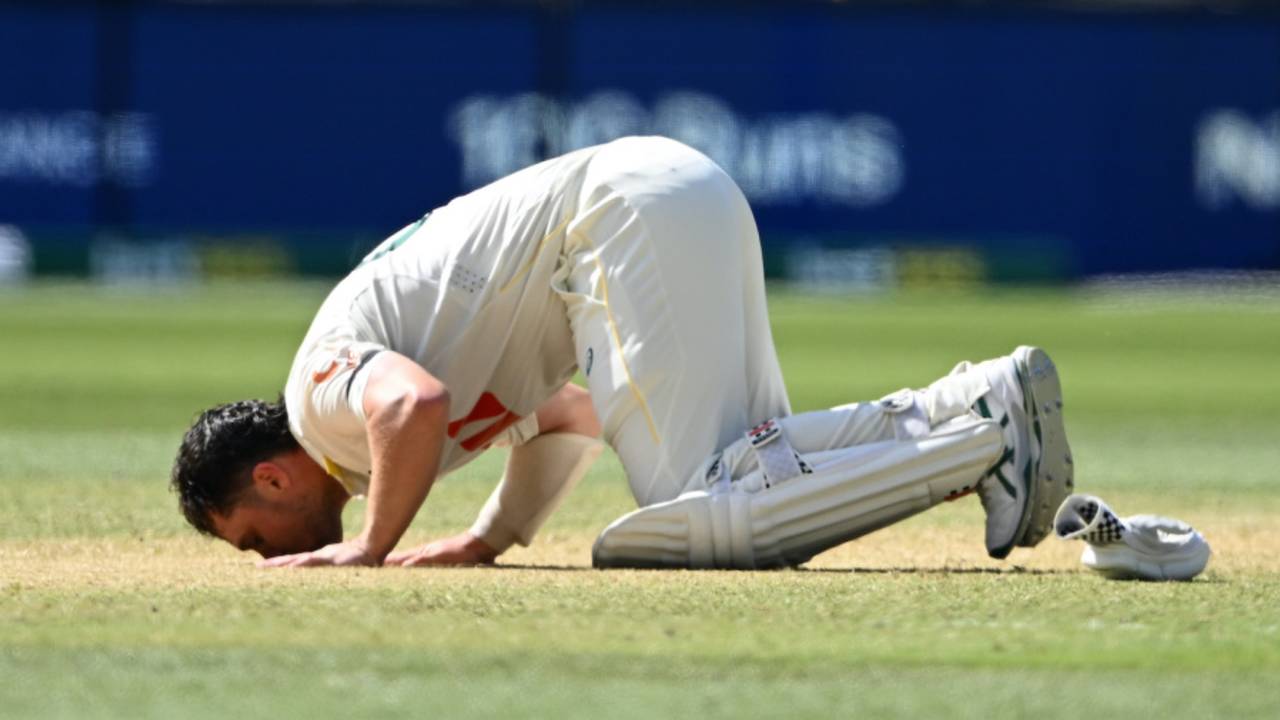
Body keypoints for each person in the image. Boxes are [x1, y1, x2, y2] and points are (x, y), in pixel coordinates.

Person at [171, 136, 1074, 570]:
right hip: (679, 190)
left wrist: (370, 545)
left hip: (616, 218)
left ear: (275, 480)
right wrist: (491, 536)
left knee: (698, 518)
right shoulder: (358, 441)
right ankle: (977, 403)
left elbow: (412, 406)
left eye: (253, 537)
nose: (266, 557)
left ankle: (985, 444)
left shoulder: (315, 406)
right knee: (760, 469)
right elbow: (567, 414)